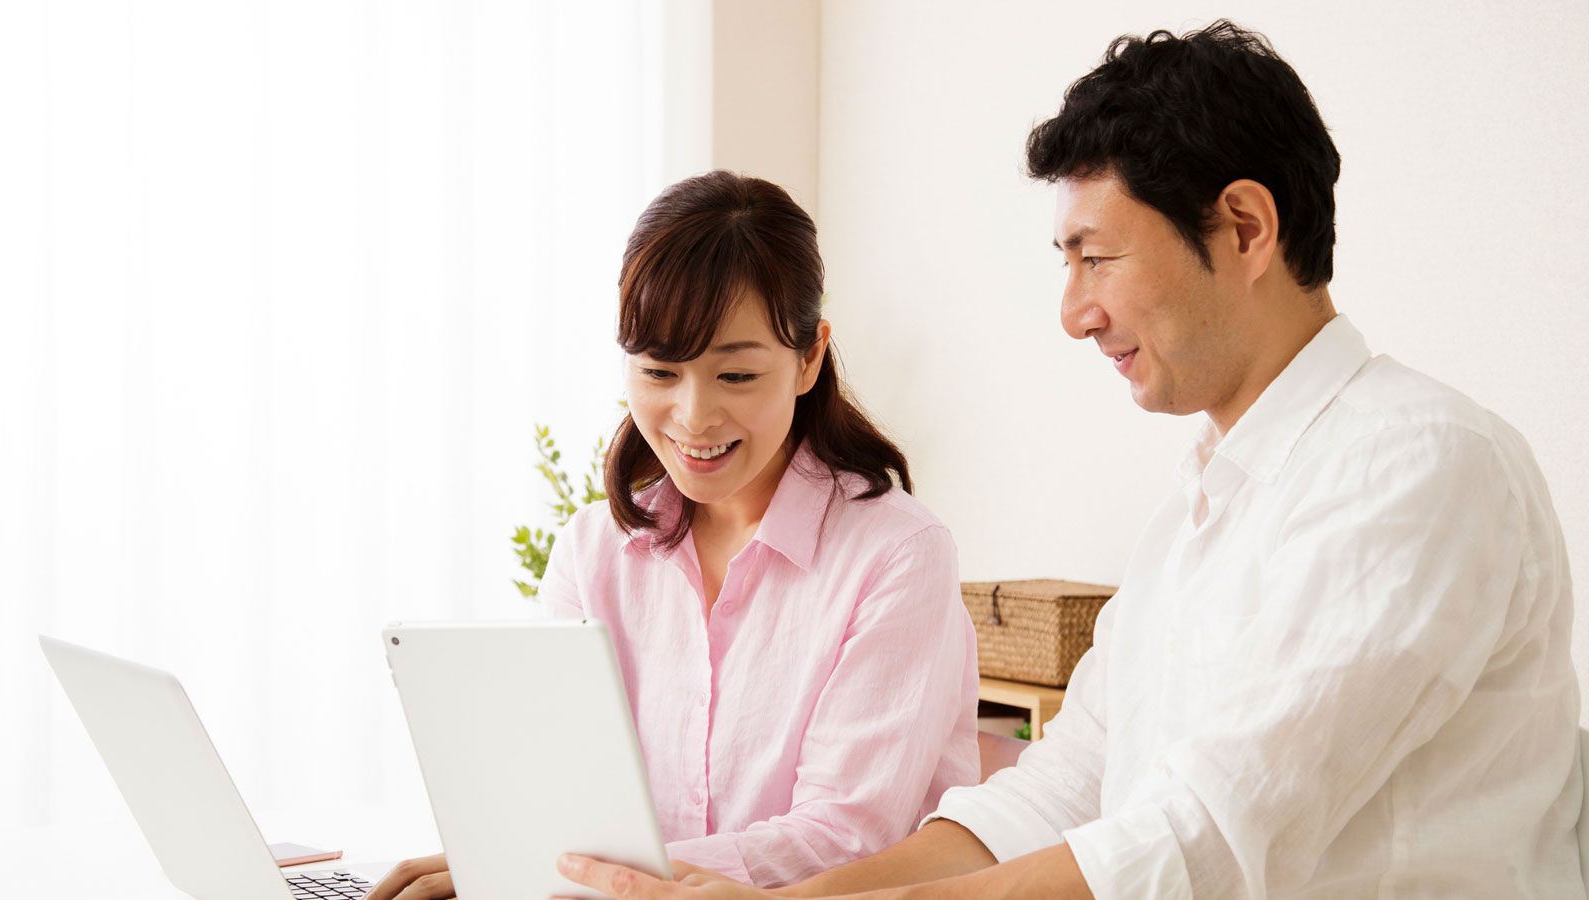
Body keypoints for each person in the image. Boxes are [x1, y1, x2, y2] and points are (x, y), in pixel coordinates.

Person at [558, 20, 1584, 899]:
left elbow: (1203, 834)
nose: (1074, 312)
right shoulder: (1203, 505)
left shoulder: (1416, 465)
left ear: (1244, 228)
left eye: (1096, 257)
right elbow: (1061, 786)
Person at [364, 172, 980, 900]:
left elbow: (842, 838)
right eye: (660, 371)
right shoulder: (592, 553)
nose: (694, 417)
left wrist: (591, 876)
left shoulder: (897, 554)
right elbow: (562, 800)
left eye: (737, 375)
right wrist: (499, 859)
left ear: (810, 358)